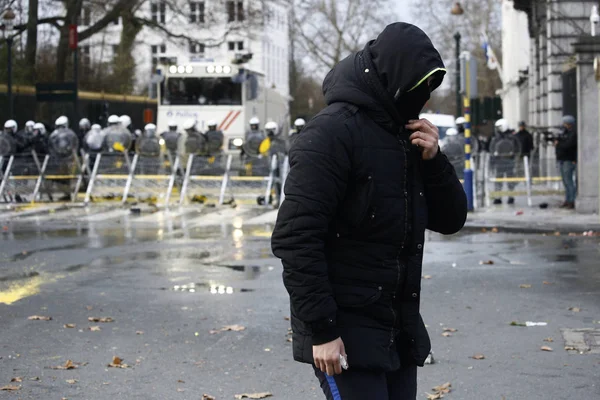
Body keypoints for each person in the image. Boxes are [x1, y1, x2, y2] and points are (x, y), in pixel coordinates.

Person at [271, 22, 467, 400]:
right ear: (393, 80)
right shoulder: (329, 134)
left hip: (396, 328)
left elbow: (451, 220)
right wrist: (323, 330)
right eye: (418, 88)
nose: (424, 99)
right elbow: (296, 238)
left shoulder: (406, 134)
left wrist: (434, 161)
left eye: (429, 89)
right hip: (342, 334)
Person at [490, 118, 521, 205]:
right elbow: (492, 149)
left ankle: (511, 197)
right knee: (498, 181)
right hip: (499, 163)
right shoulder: (496, 138)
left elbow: (518, 148)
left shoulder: (512, 138)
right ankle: (498, 197)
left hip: (509, 162)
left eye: (499, 127)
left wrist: (514, 156)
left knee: (510, 181)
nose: (497, 129)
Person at [555, 115, 577, 209]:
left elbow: (567, 145)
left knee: (569, 181)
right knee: (565, 181)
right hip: (562, 159)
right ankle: (567, 200)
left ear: (569, 124)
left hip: (568, 159)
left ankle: (571, 201)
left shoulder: (572, 134)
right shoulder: (565, 133)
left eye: (565, 124)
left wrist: (559, 143)